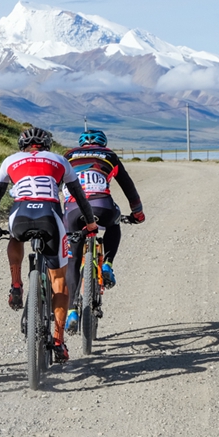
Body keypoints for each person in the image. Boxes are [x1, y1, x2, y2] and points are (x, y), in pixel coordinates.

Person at [0, 126, 98, 362]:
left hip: (20, 215)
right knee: (59, 281)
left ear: (22, 145)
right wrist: (90, 225)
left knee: (15, 237)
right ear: (46, 144)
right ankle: (58, 341)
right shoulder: (59, 160)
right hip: (50, 218)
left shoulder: (10, 161)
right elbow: (79, 196)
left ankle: (16, 284)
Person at [63, 128, 144, 333]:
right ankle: (107, 264)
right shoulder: (109, 156)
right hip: (102, 206)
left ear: (81, 145)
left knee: (73, 260)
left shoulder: (68, 156)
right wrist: (137, 213)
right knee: (113, 222)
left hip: (73, 210)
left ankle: (72, 310)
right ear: (103, 144)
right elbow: (128, 187)